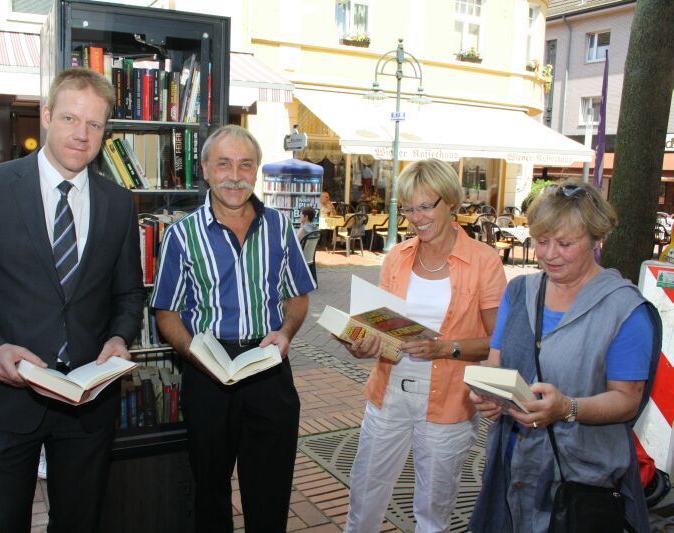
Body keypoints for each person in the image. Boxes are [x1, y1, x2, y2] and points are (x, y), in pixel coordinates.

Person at [0, 68, 145, 532]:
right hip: (8, 399)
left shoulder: (118, 203)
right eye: (70, 118)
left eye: (94, 124)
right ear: (47, 115)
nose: (81, 134)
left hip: (87, 402)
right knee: (2, 521)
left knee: (78, 522)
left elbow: (129, 293)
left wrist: (119, 337)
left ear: (105, 131)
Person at [469, 180, 662, 533]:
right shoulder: (519, 291)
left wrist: (567, 408)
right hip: (511, 468)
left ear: (596, 239)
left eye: (565, 243)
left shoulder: (625, 309)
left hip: (580, 481)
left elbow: (626, 401)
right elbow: (496, 363)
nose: (549, 254)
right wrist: (488, 396)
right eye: (541, 241)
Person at [151, 125, 316, 532]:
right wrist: (195, 354)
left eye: (245, 165)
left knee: (271, 489)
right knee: (210, 490)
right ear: (205, 169)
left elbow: (298, 296)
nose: (235, 175)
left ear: (256, 170)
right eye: (223, 164)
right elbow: (166, 314)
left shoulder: (280, 227)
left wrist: (286, 333)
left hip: (269, 367)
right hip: (208, 370)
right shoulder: (181, 235)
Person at [342, 159, 507, 533]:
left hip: (449, 398)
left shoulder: (483, 261)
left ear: (451, 203)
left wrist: (445, 348)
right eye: (408, 209)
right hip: (388, 392)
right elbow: (378, 323)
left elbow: (499, 343)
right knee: (364, 496)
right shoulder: (398, 256)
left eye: (425, 206)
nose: (416, 218)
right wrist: (360, 342)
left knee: (433, 511)